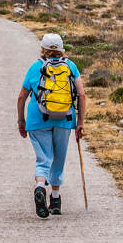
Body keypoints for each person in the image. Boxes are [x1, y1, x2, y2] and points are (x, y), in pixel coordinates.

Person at [17, 33, 86, 218]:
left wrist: (21, 121)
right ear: (61, 48)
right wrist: (80, 123)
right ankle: (55, 200)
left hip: (38, 120)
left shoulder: (36, 67)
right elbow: (82, 95)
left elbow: (21, 96)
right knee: (59, 158)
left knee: (43, 159)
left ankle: (40, 186)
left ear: (43, 48)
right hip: (65, 119)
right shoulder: (70, 66)